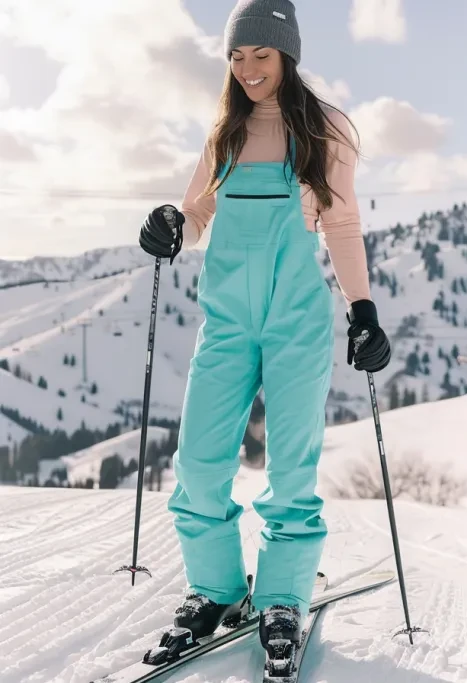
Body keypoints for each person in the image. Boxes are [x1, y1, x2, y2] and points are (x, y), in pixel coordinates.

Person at [136, 0, 391, 658]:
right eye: (238, 56)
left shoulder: (325, 129)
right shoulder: (225, 132)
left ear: (288, 55)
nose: (249, 69)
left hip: (296, 321)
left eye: (262, 55)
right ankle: (216, 587)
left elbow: (340, 225)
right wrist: (171, 223)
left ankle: (282, 595)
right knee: (197, 460)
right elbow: (197, 213)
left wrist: (362, 311)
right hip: (226, 321)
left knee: (292, 469)